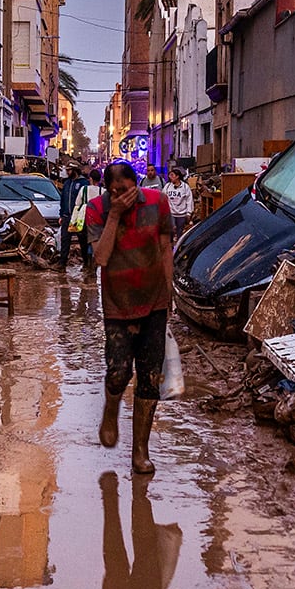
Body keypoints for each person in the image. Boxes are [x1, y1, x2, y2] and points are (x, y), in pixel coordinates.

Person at [87, 162, 173, 473]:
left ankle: (140, 451)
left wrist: (169, 288)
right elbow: (101, 257)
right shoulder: (97, 209)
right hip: (117, 304)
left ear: (135, 186)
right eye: (113, 192)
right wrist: (114, 215)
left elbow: (165, 246)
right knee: (118, 370)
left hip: (154, 300)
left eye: (124, 191)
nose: (119, 196)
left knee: (150, 378)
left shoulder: (157, 202)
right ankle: (111, 409)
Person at [58, 166, 86, 265]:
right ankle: (62, 262)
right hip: (66, 216)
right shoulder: (66, 183)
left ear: (75, 170)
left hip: (78, 217)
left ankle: (86, 263)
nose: (68, 172)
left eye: (69, 170)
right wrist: (61, 214)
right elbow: (63, 200)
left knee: (82, 240)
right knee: (65, 240)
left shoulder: (83, 183)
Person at [159, 168, 193, 239]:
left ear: (177, 176)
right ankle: (170, 247)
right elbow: (162, 197)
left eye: (172, 175)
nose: (170, 177)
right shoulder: (168, 186)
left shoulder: (185, 187)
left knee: (180, 232)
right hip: (171, 213)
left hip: (181, 214)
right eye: (169, 175)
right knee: (170, 231)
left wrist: (188, 213)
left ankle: (178, 247)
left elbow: (189, 200)